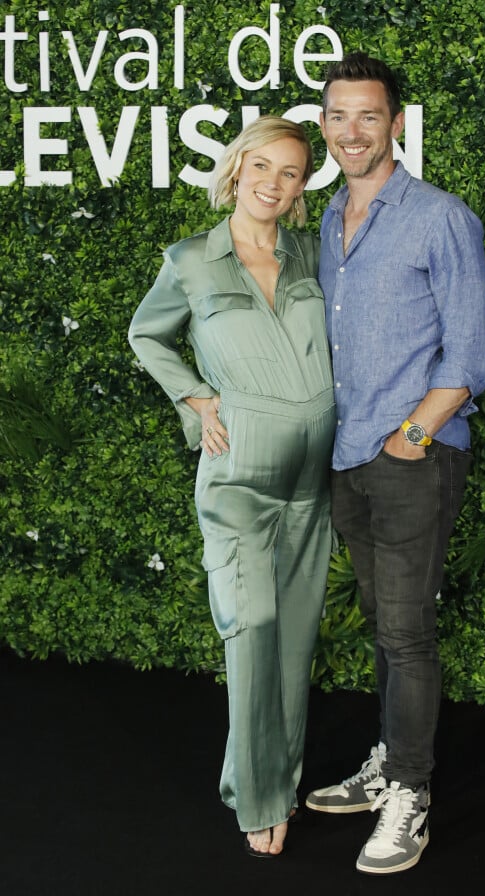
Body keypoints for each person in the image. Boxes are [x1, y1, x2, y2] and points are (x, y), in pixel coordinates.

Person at [305, 53, 485, 875]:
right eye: (339, 116)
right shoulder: (325, 221)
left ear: (397, 124)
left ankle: (411, 795)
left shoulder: (439, 217)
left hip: (412, 457)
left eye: (369, 116)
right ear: (324, 128)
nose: (354, 131)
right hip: (348, 458)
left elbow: (473, 350)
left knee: (409, 633)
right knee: (386, 630)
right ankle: (388, 764)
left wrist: (412, 436)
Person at [128, 116, 336, 858]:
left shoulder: (315, 253)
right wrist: (194, 397)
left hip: (314, 488)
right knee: (251, 632)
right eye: (263, 167)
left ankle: (280, 779)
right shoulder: (190, 260)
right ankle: (257, 795)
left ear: (302, 186)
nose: (274, 184)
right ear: (237, 168)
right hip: (239, 482)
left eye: (292, 173)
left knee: (294, 640)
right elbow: (147, 334)